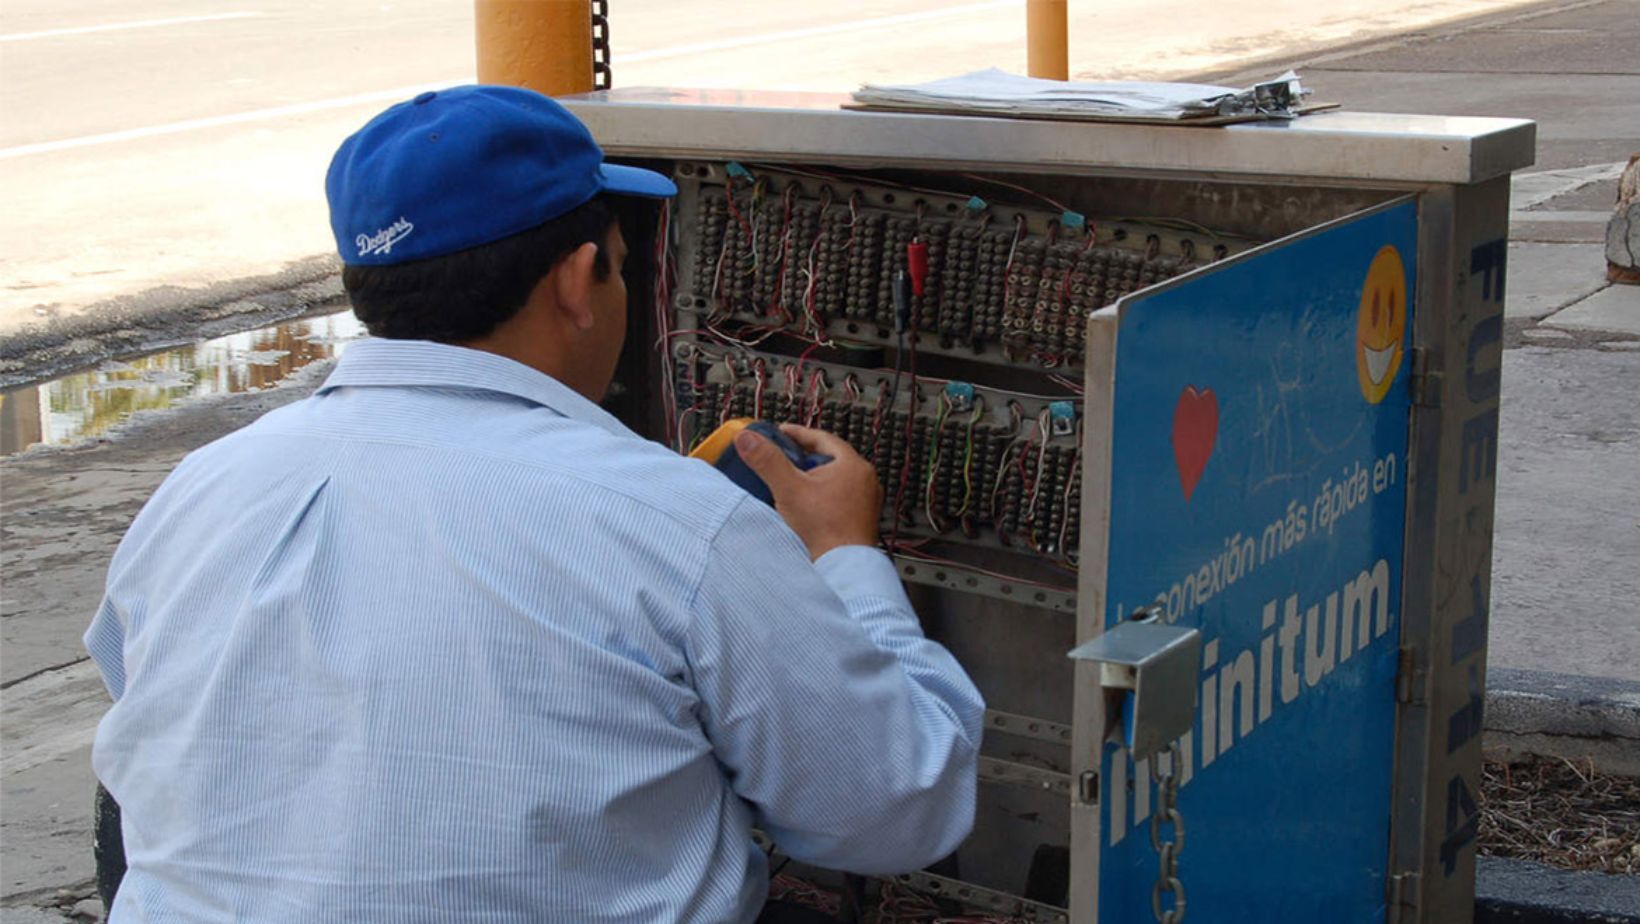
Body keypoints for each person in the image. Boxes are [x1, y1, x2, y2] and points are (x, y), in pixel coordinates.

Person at [84, 84, 984, 923]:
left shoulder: (199, 488)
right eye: (622, 269)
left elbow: (149, 715)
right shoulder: (679, 525)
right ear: (575, 280)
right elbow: (898, 810)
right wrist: (845, 557)